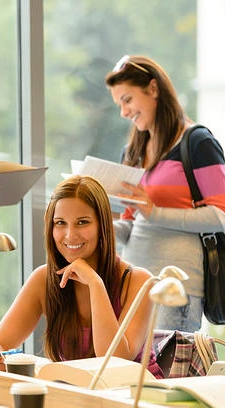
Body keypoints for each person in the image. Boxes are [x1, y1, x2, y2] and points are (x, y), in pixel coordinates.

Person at [0, 176, 163, 378]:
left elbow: (113, 362)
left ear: (102, 225)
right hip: (78, 392)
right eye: (60, 223)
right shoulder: (43, 279)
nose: (70, 235)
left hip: (136, 392)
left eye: (82, 222)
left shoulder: (139, 281)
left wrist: (95, 283)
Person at [105, 55, 225, 332]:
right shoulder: (132, 152)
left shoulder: (197, 142)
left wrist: (155, 212)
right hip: (133, 285)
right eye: (119, 104)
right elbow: (133, 223)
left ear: (153, 89)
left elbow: (220, 216)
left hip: (176, 290)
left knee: (166, 362)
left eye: (127, 100)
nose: (124, 112)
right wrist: (98, 228)